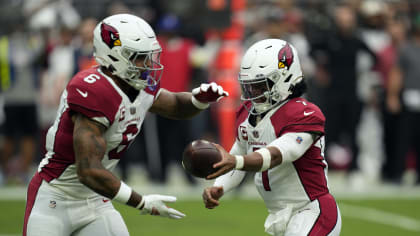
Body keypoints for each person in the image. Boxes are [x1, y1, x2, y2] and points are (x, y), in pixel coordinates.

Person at [23, 14, 228, 236]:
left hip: (95, 200)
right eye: (140, 57)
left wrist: (199, 100)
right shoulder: (93, 89)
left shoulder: (138, 84)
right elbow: (88, 170)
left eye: (150, 57)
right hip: (55, 198)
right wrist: (142, 202)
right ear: (114, 56)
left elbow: (176, 105)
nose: (148, 65)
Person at [202, 39, 341, 236]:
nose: (254, 93)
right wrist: (219, 187)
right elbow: (238, 155)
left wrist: (236, 161)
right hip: (280, 215)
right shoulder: (247, 113)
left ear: (284, 78)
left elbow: (277, 155)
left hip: (311, 211)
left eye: (261, 86)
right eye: (250, 86)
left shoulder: (304, 113)